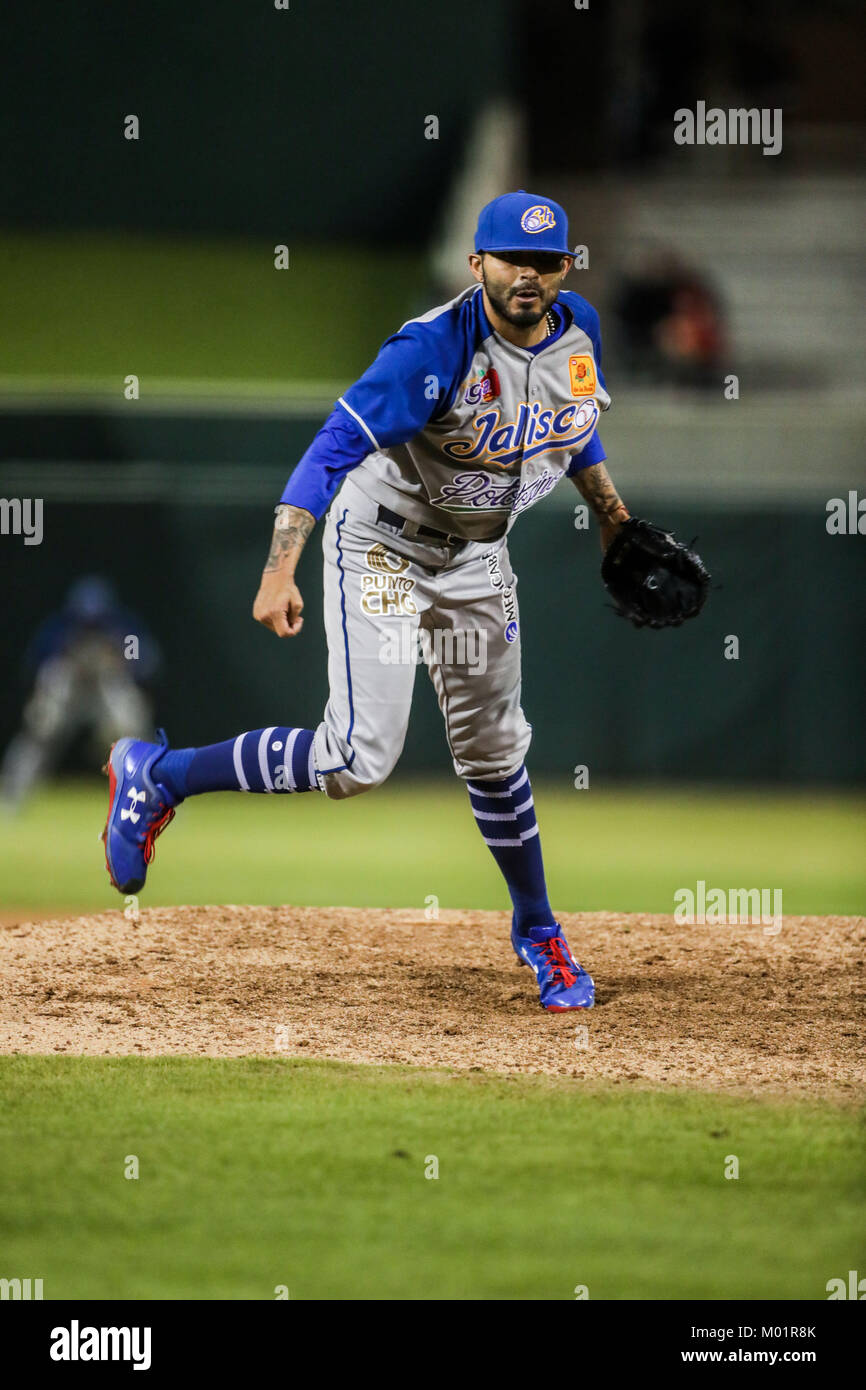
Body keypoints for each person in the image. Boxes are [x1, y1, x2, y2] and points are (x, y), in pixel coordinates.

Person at [101, 191, 634, 1012]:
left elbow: (572, 426)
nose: (527, 276)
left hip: (477, 559)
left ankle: (540, 933)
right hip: (385, 544)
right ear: (477, 264)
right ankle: (161, 775)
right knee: (358, 759)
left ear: (565, 267)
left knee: (496, 754)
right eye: (510, 259)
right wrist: (281, 566)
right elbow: (331, 447)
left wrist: (612, 516)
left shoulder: (579, 332)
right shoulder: (431, 350)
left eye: (544, 261)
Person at [2, 576, 157, 809]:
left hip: (106, 687)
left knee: (133, 730)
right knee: (41, 730)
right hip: (70, 688)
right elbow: (38, 666)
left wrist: (122, 663)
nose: (90, 628)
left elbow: (144, 664)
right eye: (85, 623)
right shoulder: (57, 628)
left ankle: (154, 797)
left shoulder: (123, 630)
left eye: (96, 623)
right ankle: (9, 797)